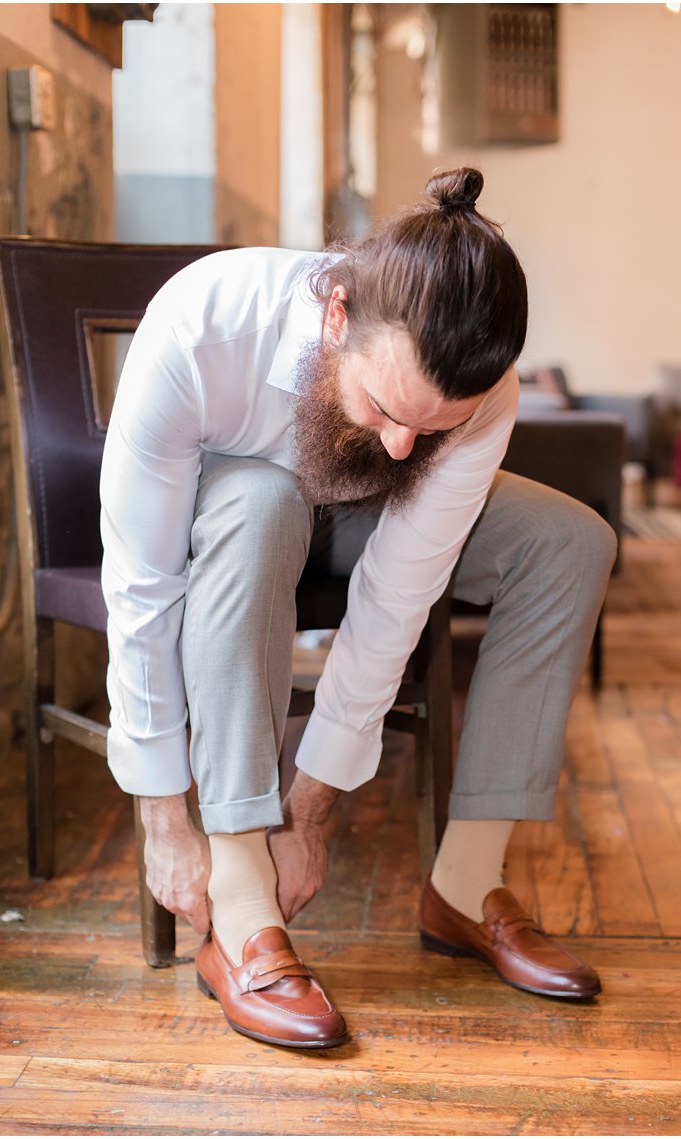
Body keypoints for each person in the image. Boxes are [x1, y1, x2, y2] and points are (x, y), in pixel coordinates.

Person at [100, 168, 615, 1049]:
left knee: (569, 541)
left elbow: (398, 591)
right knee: (265, 502)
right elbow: (142, 582)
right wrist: (161, 815)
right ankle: (242, 902)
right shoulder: (202, 327)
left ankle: (464, 884)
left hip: (356, 527)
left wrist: (315, 807)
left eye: (434, 427)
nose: (402, 444)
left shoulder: (479, 394)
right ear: (337, 315)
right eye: (382, 406)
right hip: (234, 527)